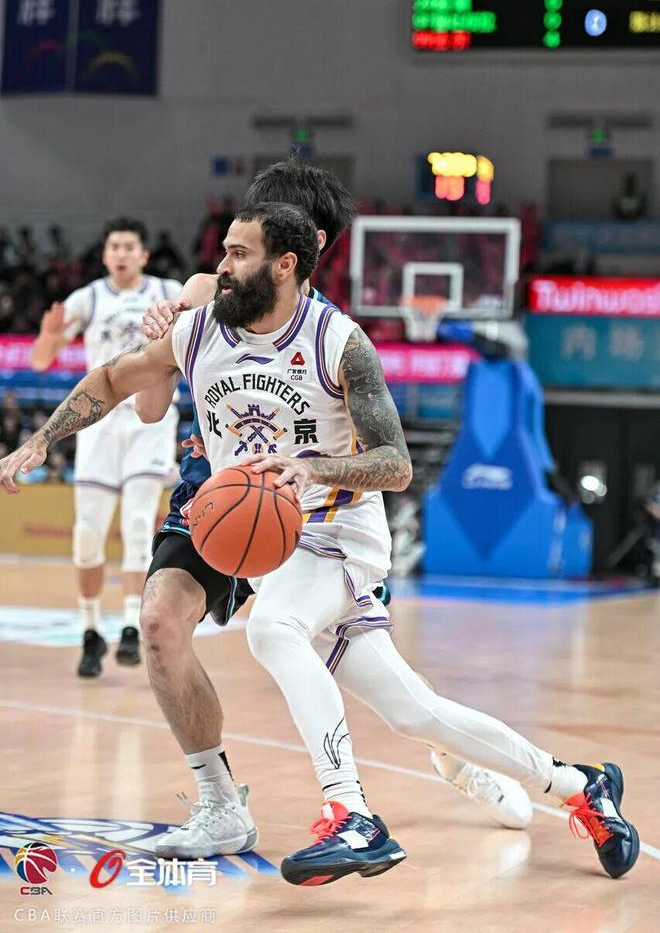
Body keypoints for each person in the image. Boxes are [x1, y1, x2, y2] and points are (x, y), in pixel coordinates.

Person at [1, 202, 639, 887]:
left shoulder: (339, 342)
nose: (222, 267)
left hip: (339, 534)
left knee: (272, 629)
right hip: (279, 544)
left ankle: (351, 813)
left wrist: (314, 468)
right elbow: (110, 380)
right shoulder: (199, 331)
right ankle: (581, 785)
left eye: (239, 254)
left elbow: (395, 463)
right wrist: (40, 440)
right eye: (224, 251)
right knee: (413, 711)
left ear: (285, 265)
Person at [136, 158, 532, 860]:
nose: (235, 252)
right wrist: (155, 338)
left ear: (305, 243)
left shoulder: (335, 334)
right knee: (161, 622)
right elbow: (145, 406)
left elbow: (385, 456)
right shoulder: (205, 292)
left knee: (377, 676)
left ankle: (455, 754)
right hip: (217, 495)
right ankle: (222, 804)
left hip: (314, 512)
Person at [30, 217, 183, 677]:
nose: (120, 253)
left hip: (149, 420)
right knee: (86, 534)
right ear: (104, 255)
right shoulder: (88, 298)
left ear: (143, 255)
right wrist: (50, 334)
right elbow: (40, 360)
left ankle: (132, 625)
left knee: (137, 525)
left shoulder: (169, 291)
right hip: (98, 424)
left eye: (128, 246)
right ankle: (91, 630)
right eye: (114, 246)